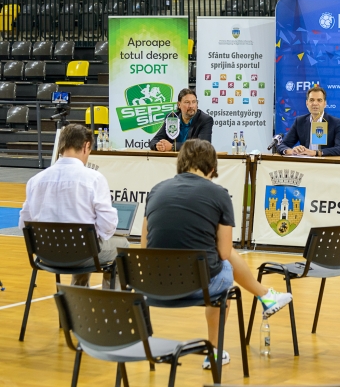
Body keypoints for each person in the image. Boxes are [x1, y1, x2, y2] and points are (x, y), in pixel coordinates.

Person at [142, 139, 292, 369]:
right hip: (197, 285)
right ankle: (214, 351)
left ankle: (266, 296)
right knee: (225, 268)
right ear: (212, 167)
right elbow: (223, 252)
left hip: (154, 285)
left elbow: (145, 248)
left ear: (181, 163)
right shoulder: (218, 193)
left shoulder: (156, 190)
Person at [18, 124, 128, 288]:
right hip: (81, 253)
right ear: (86, 146)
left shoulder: (35, 180)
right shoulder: (94, 179)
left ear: (62, 145)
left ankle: (75, 302)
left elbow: (23, 225)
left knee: (84, 244)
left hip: (45, 254)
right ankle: (112, 308)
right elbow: (107, 226)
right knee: (122, 245)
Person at [277, 86, 340, 157]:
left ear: (325, 104)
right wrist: (291, 151)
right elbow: (282, 145)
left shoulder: (336, 123)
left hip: (326, 164)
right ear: (307, 103)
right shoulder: (299, 121)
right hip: (306, 164)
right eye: (311, 100)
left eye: (319, 100)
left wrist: (315, 153)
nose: (315, 103)